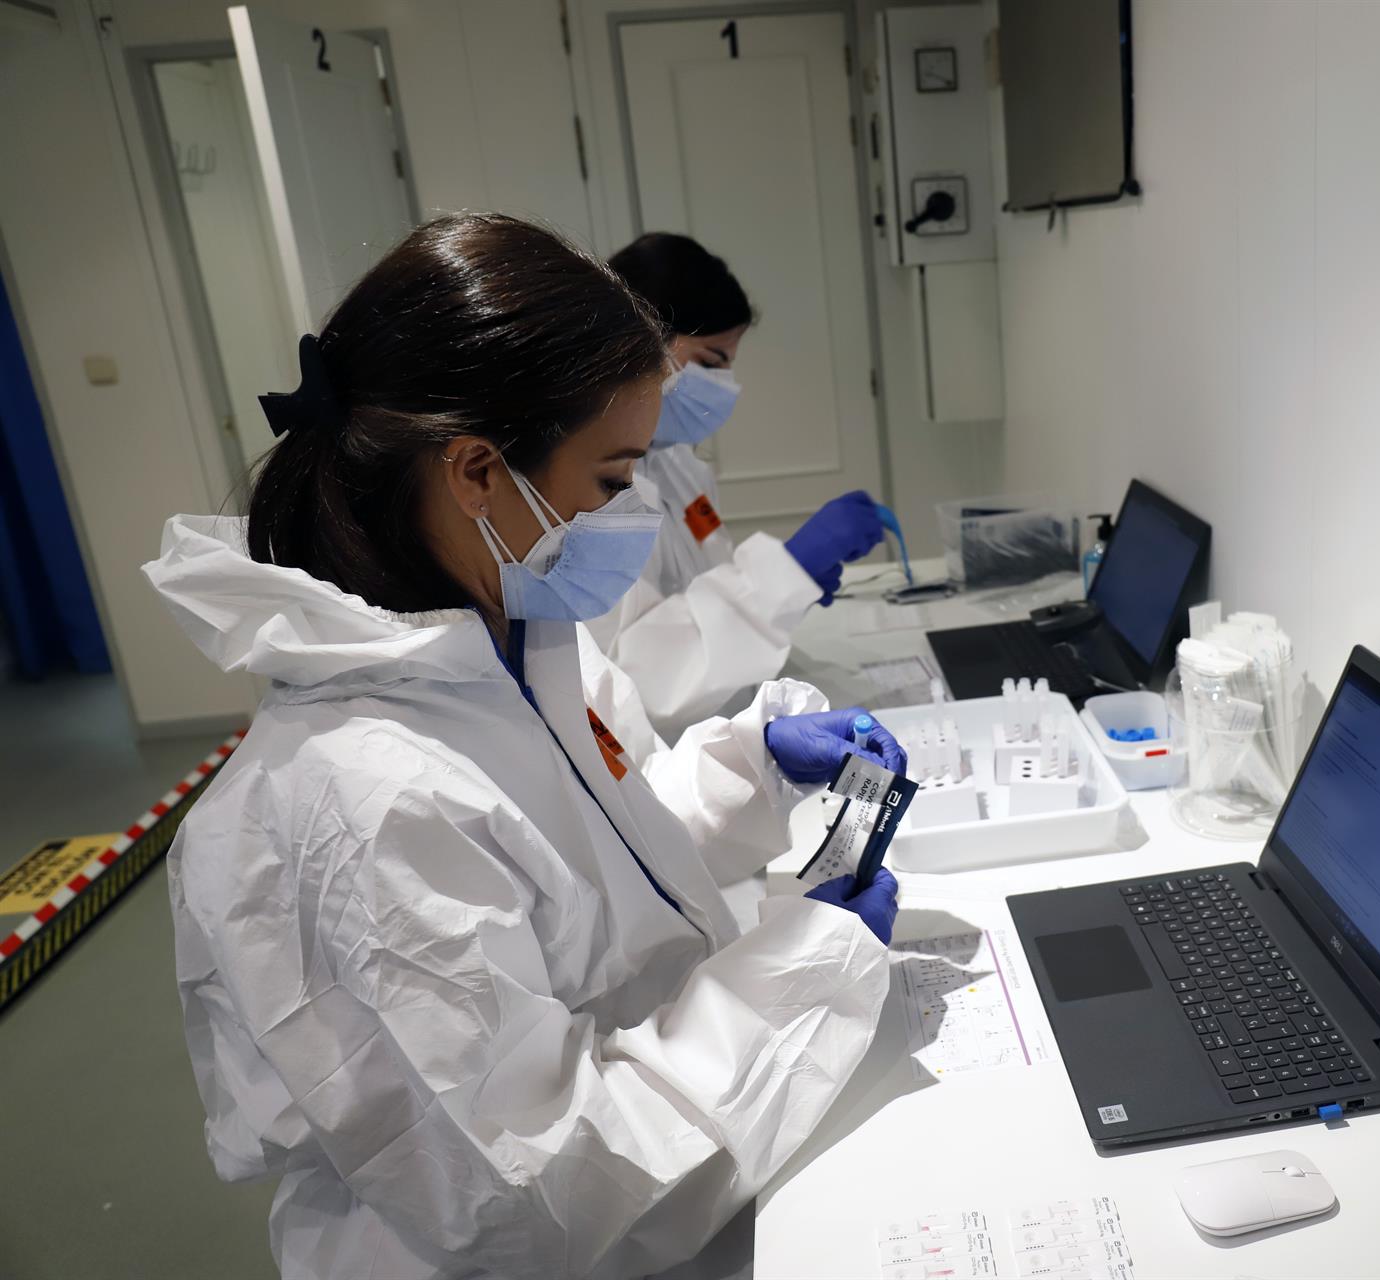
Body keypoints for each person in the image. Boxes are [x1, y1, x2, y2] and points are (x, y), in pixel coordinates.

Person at [143, 214, 907, 1280]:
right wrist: (810, 964)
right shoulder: (359, 804)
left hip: (676, 1190)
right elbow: (543, 1190)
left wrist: (750, 772)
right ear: (475, 470)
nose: (629, 512)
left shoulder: (521, 641)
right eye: (607, 480)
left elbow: (583, 873)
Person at [585, 232, 887, 737]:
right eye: (708, 362)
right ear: (637, 343)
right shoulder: (592, 495)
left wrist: (788, 592)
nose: (721, 387)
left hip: (727, 717)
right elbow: (645, 681)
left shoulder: (677, 466)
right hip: (674, 756)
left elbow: (706, 590)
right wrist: (782, 576)